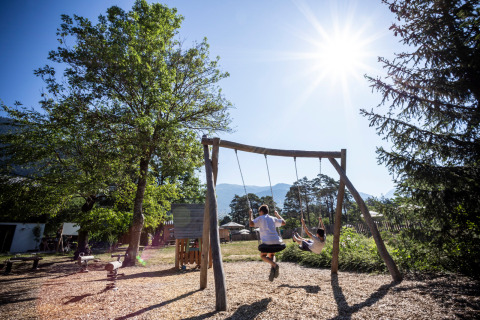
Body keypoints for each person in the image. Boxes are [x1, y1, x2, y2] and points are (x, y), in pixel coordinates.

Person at [249, 204, 286, 281]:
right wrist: (277, 214)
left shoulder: (260, 218)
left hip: (267, 243)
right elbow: (283, 222)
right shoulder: (273, 218)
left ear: (261, 211)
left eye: (259, 212)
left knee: (263, 256)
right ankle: (273, 269)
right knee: (271, 254)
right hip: (277, 242)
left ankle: (274, 265)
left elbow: (251, 224)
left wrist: (250, 214)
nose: (259, 213)